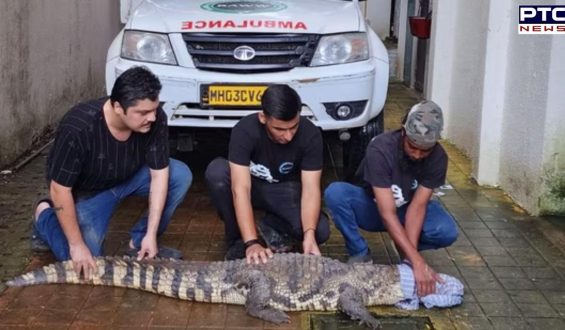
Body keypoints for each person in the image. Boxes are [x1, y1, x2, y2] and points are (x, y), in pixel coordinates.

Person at [32, 66, 192, 279]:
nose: (152, 117)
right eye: (143, 112)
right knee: (87, 266)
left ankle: (139, 242)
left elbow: (159, 175)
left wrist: (151, 234)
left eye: (154, 109)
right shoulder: (79, 127)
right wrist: (77, 245)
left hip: (128, 177)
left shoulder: (155, 119)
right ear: (118, 107)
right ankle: (44, 216)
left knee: (179, 175)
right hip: (88, 194)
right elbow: (59, 189)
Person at [324, 100, 458, 297]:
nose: (418, 155)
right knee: (335, 193)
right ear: (403, 132)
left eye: (425, 150)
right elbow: (387, 213)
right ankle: (360, 253)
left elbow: (418, 207)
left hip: (407, 209)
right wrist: (418, 262)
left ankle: (404, 248)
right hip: (374, 208)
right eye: (413, 146)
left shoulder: (439, 157)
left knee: (446, 230)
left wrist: (410, 259)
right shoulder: (380, 148)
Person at [205, 84, 330, 264]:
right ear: (263, 118)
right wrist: (251, 242)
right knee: (217, 173)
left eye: (293, 127)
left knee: (320, 231)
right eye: (280, 129)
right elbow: (240, 189)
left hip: (285, 191)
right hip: (251, 185)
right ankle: (238, 240)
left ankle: (269, 225)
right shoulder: (244, 130)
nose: (288, 136)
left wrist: (309, 235)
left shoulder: (311, 134)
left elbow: (311, 189)